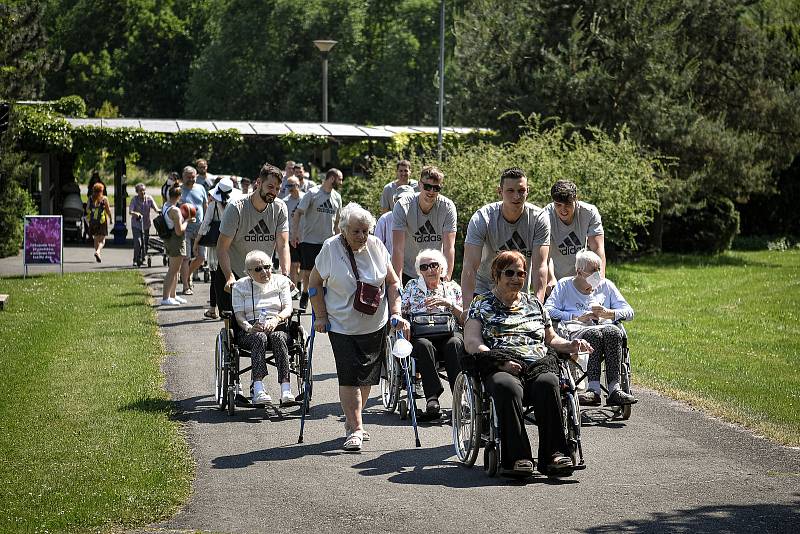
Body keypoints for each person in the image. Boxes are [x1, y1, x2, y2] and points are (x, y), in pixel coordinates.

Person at [464, 250, 592, 477]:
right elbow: (472, 341)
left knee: (549, 382)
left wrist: (572, 345)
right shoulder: (481, 303)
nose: (516, 278)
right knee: (507, 386)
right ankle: (517, 458)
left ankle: (554, 455)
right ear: (496, 274)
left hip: (536, 362)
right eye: (510, 273)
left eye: (521, 273)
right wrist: (499, 361)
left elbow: (551, 338)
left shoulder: (534, 303)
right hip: (501, 363)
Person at [308, 202, 409, 451]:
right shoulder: (330, 248)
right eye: (356, 231)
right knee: (349, 375)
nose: (362, 236)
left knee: (367, 378)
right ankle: (355, 428)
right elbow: (313, 284)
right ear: (343, 230)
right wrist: (320, 315)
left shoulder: (376, 245)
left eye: (365, 230)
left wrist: (396, 312)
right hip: (341, 325)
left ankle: (354, 419)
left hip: (375, 324)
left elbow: (393, 283)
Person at [544, 249, 637, 406]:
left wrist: (610, 313)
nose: (597, 274)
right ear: (579, 271)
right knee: (594, 333)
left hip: (605, 327)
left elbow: (629, 312)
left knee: (613, 331)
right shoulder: (564, 285)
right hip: (577, 330)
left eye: (599, 269)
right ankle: (593, 390)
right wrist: (575, 317)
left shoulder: (606, 286)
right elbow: (547, 309)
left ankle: (614, 389)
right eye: (593, 271)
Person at [461, 167, 550, 304]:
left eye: (521, 191)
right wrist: (467, 308)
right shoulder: (483, 218)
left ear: (528, 191)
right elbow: (470, 266)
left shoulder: (538, 219)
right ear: (500, 191)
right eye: (510, 191)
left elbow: (540, 267)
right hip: (484, 289)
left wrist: (538, 305)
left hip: (518, 293)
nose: (516, 196)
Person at [217, 163, 290, 315]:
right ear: (258, 183)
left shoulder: (280, 207)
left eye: (277, 189)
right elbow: (222, 248)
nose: (274, 192)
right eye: (270, 187)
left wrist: (285, 275)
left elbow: (283, 245)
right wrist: (229, 277)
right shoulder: (236, 208)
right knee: (235, 327)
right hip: (235, 274)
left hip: (262, 275)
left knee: (265, 320)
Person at [401, 248, 464, 417]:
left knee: (455, 344)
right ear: (419, 271)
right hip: (422, 334)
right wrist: (404, 321)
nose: (429, 269)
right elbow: (402, 312)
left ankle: (460, 396)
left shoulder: (452, 287)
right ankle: (432, 398)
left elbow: (465, 317)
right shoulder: (412, 286)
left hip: (448, 334)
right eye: (424, 267)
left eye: (434, 265)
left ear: (441, 268)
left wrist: (447, 303)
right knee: (422, 345)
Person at [232, 250, 296, 405]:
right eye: (258, 269)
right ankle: (258, 389)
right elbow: (238, 315)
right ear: (248, 272)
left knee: (278, 337)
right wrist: (248, 327)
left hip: (278, 325)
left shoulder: (281, 281)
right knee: (259, 337)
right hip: (251, 330)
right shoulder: (240, 286)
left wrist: (276, 319)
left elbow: (288, 308)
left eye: (267, 267)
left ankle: (286, 389)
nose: (264, 271)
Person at [392, 165, 457, 285]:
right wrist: (397, 282)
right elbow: (398, 248)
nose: (431, 191)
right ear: (419, 185)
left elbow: (449, 247)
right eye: (427, 187)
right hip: (408, 271)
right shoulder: (403, 206)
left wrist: (446, 278)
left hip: (435, 272)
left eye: (436, 188)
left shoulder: (447, 207)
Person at [291, 168, 343, 310]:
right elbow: (298, 213)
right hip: (309, 240)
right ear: (332, 178)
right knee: (308, 272)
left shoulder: (337, 197)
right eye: (340, 179)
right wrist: (295, 233)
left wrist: (340, 240)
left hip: (327, 242)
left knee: (327, 273)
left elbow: (338, 222)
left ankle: (323, 300)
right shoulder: (313, 193)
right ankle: (305, 294)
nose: (341, 183)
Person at [545, 180, 606, 295]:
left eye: (568, 204)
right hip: (556, 277)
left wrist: (599, 279)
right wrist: (550, 279)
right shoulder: (545, 216)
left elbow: (598, 249)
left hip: (583, 276)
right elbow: (544, 256)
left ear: (576, 199)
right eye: (558, 205)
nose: (563, 210)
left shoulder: (589, 212)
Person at [198, 177, 241, 319]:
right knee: (232, 275)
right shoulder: (236, 204)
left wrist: (197, 241)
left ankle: (213, 308)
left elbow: (205, 225)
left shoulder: (213, 206)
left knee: (216, 277)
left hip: (216, 245)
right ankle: (234, 307)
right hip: (233, 244)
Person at [179, 166, 208, 295]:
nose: (191, 179)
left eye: (193, 177)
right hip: (184, 228)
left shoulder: (201, 188)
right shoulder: (178, 190)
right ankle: (186, 286)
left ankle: (188, 275)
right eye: (188, 177)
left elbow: (205, 205)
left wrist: (207, 223)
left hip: (200, 228)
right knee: (186, 258)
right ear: (183, 177)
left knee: (201, 257)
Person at [161, 186, 191, 306]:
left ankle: (172, 296)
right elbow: (179, 231)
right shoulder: (175, 210)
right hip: (176, 241)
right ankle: (165, 297)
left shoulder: (165, 206)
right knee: (172, 271)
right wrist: (187, 221)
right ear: (179, 196)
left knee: (176, 270)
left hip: (169, 240)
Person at [282, 175, 306, 296]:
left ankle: (300, 282)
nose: (289, 188)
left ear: (298, 185)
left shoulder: (305, 198)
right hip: (291, 237)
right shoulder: (285, 201)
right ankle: (294, 289)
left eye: (291, 185)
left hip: (305, 236)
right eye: (287, 185)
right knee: (293, 264)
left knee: (304, 266)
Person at [374, 184, 414, 255]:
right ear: (395, 201)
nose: (405, 203)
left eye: (409, 200)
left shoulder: (420, 218)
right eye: (401, 200)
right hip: (390, 264)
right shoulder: (385, 220)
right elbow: (376, 247)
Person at [129, 183, 159, 267]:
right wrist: (136, 213)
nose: (143, 192)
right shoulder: (134, 200)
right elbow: (130, 211)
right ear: (137, 192)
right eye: (140, 190)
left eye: (144, 190)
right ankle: (135, 259)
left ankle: (143, 259)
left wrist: (160, 211)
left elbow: (156, 208)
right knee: (138, 242)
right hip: (136, 224)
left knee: (145, 243)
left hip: (146, 224)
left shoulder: (149, 199)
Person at [86, 182, 113, 263]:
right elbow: (108, 210)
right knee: (102, 240)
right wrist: (111, 218)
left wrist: (92, 213)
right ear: (102, 190)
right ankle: (98, 252)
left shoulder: (90, 198)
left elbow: (87, 209)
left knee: (96, 238)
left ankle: (98, 254)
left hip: (93, 221)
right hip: (102, 221)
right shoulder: (104, 199)